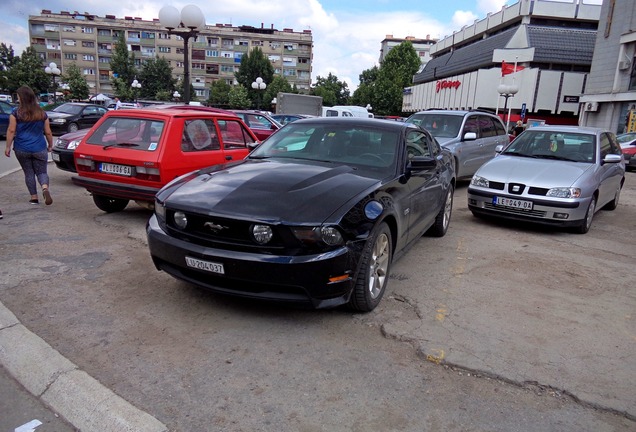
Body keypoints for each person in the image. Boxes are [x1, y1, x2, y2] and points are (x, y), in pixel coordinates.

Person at [4, 85, 54, 205]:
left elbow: (11, 130)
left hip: (22, 148)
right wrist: (50, 145)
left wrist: (7, 147)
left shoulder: (16, 113)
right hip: (39, 147)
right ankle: (45, 188)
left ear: (22, 98)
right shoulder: (42, 113)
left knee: (29, 172)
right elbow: (48, 131)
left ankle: (34, 197)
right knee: (42, 172)